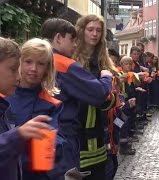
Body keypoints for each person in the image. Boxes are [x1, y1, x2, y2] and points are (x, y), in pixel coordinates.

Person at [41, 18, 113, 178]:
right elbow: (99, 93)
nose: (74, 44)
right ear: (59, 38)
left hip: (42, 133)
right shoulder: (65, 64)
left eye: (98, 30)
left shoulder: (37, 61)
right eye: (71, 39)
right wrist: (107, 78)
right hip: (67, 135)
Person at [6, 38, 65, 179]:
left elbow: (59, 138)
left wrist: (54, 144)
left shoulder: (52, 104)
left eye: (40, 64)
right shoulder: (4, 96)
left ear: (47, 69)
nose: (33, 69)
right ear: (19, 63)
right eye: (28, 62)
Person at [73, 14, 119, 180]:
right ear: (81, 31)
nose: (94, 34)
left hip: (98, 131)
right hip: (75, 128)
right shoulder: (71, 59)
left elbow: (113, 96)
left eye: (98, 30)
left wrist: (104, 97)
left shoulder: (104, 62)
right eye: (90, 29)